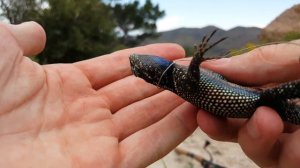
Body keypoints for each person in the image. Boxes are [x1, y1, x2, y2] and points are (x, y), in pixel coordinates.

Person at [0, 21, 299, 168]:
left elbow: (195, 78)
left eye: (138, 66)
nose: (135, 61)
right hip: (254, 101)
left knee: (283, 100)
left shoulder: (178, 84)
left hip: (252, 99)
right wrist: (197, 58)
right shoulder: (181, 82)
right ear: (155, 73)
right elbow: (193, 74)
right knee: (283, 98)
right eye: (140, 66)